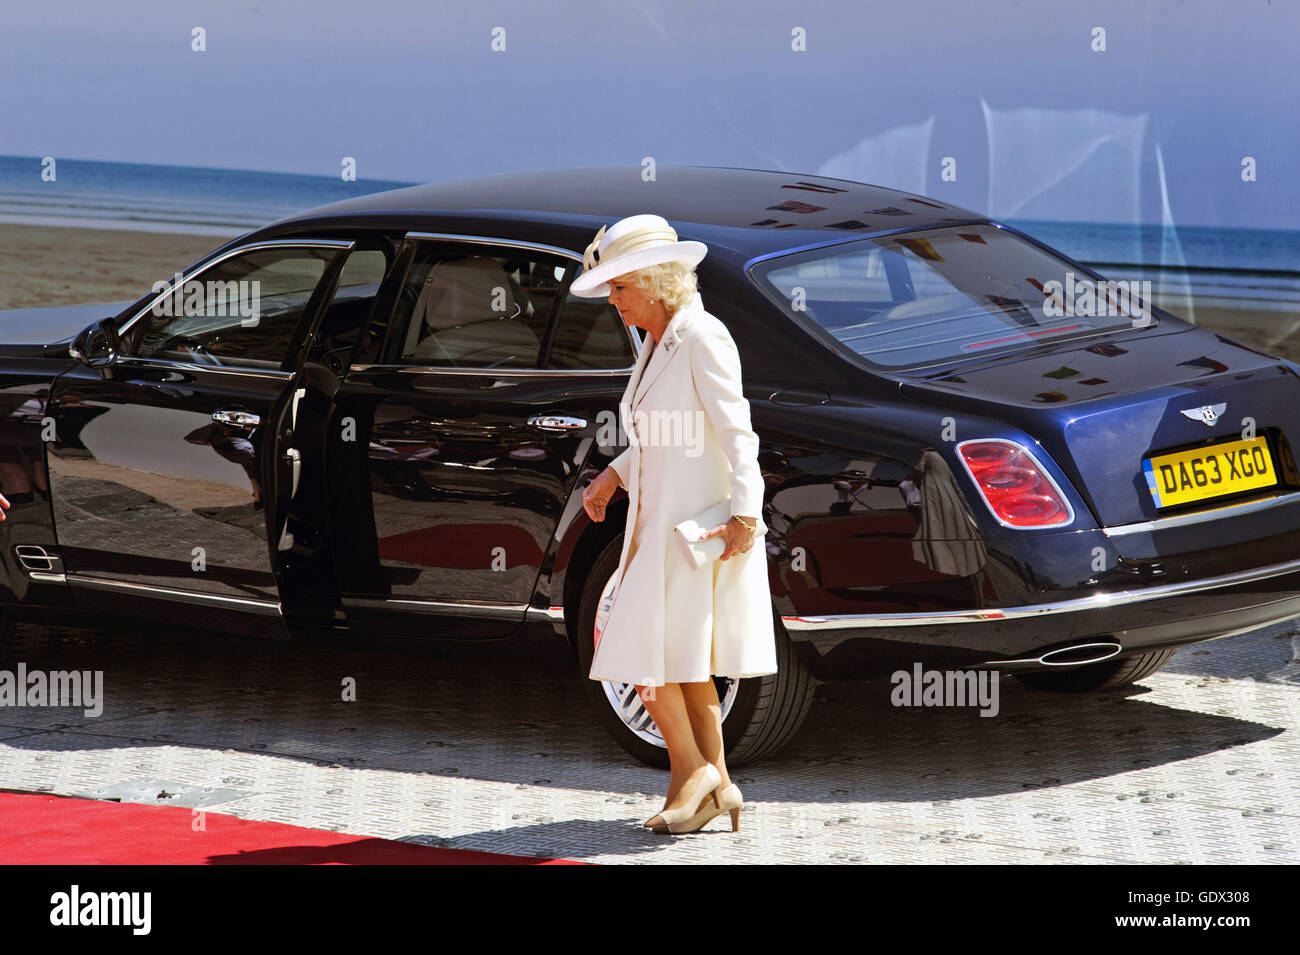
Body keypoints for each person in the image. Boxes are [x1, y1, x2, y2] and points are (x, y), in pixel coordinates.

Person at [573, 214, 778, 834]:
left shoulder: (701, 337)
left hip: (694, 530)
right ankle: (716, 785)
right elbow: (667, 431)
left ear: (655, 281)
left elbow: (736, 431)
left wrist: (747, 512)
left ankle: (692, 774)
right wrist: (614, 474)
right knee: (681, 659)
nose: (613, 301)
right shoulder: (659, 342)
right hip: (654, 525)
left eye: (620, 287)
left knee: (642, 654)